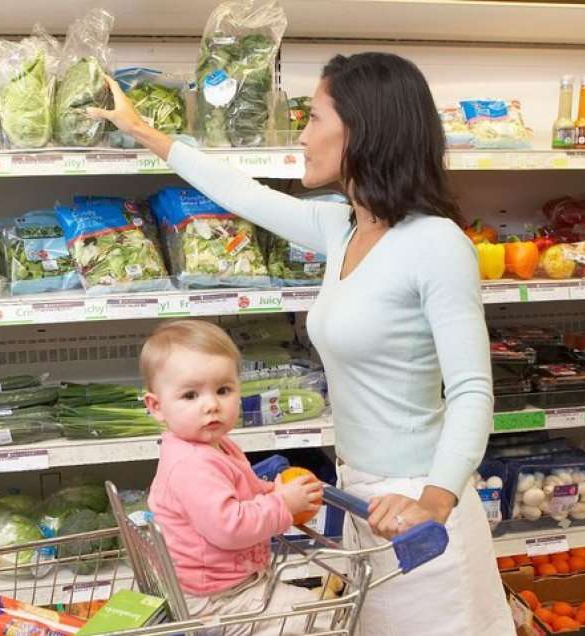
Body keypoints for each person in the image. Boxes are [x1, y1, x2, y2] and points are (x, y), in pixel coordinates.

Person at [91, 51, 515, 635]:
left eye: (314, 118)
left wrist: (435, 503)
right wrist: (141, 131)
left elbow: (471, 390)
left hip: (417, 505)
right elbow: (242, 193)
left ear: (361, 129)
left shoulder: (437, 244)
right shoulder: (344, 227)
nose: (303, 133)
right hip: (363, 491)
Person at [141, 319, 324, 635]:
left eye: (223, 390)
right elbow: (228, 527)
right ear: (156, 407)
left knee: (310, 608)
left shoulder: (216, 446)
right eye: (190, 396)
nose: (211, 405)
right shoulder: (192, 464)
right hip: (215, 601)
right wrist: (282, 504)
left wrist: (270, 491)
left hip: (228, 584)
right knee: (319, 618)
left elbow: (238, 490)